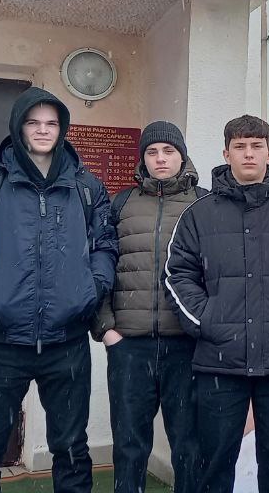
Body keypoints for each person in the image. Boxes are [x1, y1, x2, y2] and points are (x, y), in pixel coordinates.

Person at [0, 86, 118, 493]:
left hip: (68, 340)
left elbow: (105, 245)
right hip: (2, 340)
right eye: (33, 122)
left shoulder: (86, 186)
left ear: (62, 129)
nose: (43, 130)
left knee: (72, 447)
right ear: (18, 127)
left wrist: (91, 289)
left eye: (51, 123)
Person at [164, 115, 269, 493]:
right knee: (213, 467)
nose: (248, 153)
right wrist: (208, 322)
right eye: (240, 146)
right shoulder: (198, 214)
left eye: (256, 146)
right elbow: (177, 274)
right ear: (226, 154)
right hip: (219, 362)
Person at [95, 121, 206, 492]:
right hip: (130, 346)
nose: (160, 159)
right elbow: (101, 264)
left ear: (182, 156)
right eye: (152, 152)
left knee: (190, 445)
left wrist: (206, 327)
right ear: (142, 158)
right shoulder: (122, 203)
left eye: (168, 151)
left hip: (186, 346)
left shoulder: (204, 203)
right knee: (129, 445)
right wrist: (106, 328)